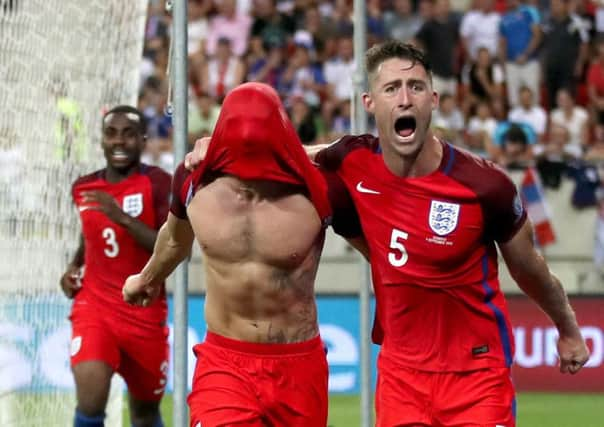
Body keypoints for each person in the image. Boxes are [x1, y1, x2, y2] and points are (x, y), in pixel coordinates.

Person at [186, 41, 590, 427]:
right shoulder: (352, 159)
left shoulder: (485, 186)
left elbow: (530, 269)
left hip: (476, 371)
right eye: (391, 88)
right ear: (370, 103)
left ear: (433, 99)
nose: (404, 98)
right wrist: (223, 146)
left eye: (416, 87)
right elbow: (288, 150)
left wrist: (568, 328)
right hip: (402, 374)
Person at [122, 82, 363, 427]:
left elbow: (376, 253)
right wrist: (147, 278)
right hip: (225, 363)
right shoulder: (193, 183)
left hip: (297, 367)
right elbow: (175, 240)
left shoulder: (321, 189)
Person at [60, 105, 172, 427]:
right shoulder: (83, 188)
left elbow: (170, 248)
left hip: (144, 313)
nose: (119, 141)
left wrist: (121, 216)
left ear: (143, 140)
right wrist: (72, 268)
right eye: (111, 133)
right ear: (102, 140)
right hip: (95, 308)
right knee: (90, 401)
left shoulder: (159, 184)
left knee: (144, 413)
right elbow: (89, 240)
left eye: (128, 134)